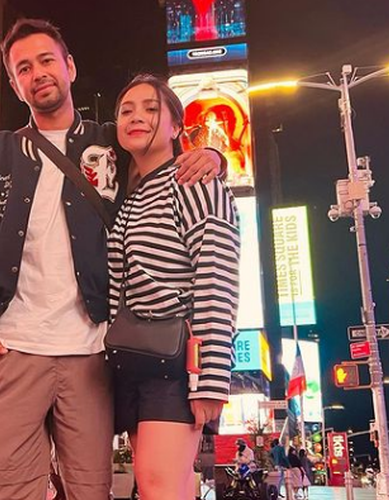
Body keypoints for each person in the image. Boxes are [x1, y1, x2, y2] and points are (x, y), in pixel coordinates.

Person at [0, 18, 224, 500]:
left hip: (92, 357)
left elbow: (162, 149)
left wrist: (209, 155)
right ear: (15, 83)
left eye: (46, 60)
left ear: (69, 67)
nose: (38, 73)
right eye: (23, 68)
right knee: (1, 490)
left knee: (90, 491)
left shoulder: (112, 143)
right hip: (9, 353)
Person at [107, 74, 240, 500]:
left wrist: (212, 377)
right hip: (131, 359)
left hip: (177, 365)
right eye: (126, 111)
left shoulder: (195, 181)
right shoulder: (127, 197)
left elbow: (217, 277)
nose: (137, 117)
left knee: (158, 485)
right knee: (165, 487)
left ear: (175, 127)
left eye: (150, 108)